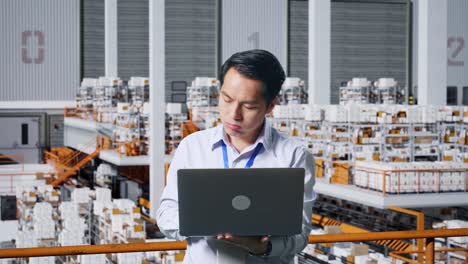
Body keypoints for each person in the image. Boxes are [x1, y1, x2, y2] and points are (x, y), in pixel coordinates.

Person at [156, 49, 315, 264]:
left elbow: (300, 233)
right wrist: (199, 223)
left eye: (248, 106)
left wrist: (262, 247)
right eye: (227, 99)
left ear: (271, 105)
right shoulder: (192, 147)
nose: (234, 114)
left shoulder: (293, 155)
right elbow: (166, 215)